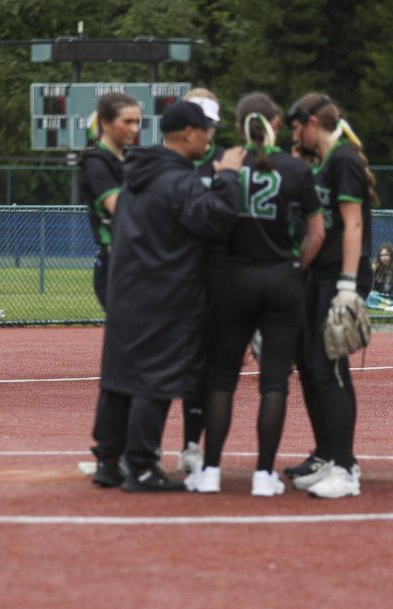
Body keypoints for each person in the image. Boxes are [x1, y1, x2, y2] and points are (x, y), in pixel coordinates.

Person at [91, 100, 244, 492]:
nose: (210, 137)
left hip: (127, 288)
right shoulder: (177, 180)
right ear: (190, 133)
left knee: (120, 378)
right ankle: (141, 466)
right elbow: (217, 221)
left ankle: (109, 461)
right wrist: (227, 176)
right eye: (206, 130)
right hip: (164, 293)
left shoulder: (138, 173)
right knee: (152, 381)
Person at [185, 92, 325, 496]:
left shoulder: (226, 164)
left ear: (239, 126)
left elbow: (209, 221)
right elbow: (317, 232)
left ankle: (210, 469)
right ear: (276, 125)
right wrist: (294, 264)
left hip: (233, 278)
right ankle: (264, 475)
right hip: (282, 278)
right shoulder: (296, 169)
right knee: (274, 381)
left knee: (222, 378)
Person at [282, 92, 378, 498]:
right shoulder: (323, 162)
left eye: (296, 127)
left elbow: (353, 225)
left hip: (338, 276)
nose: (294, 136)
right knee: (310, 365)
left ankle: (345, 467)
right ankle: (328, 455)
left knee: (329, 369)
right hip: (319, 275)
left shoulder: (343, 160)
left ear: (311, 124)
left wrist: (345, 284)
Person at [172, 87, 227, 475]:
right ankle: (131, 450)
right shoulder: (170, 162)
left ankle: (201, 449)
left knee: (214, 369)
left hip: (219, 279)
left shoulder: (226, 163)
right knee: (172, 366)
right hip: (175, 278)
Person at [79, 92, 142, 310]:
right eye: (127, 121)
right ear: (105, 123)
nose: (134, 128)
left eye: (137, 122)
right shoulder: (96, 164)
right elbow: (122, 208)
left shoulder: (129, 161)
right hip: (117, 266)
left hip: (138, 263)